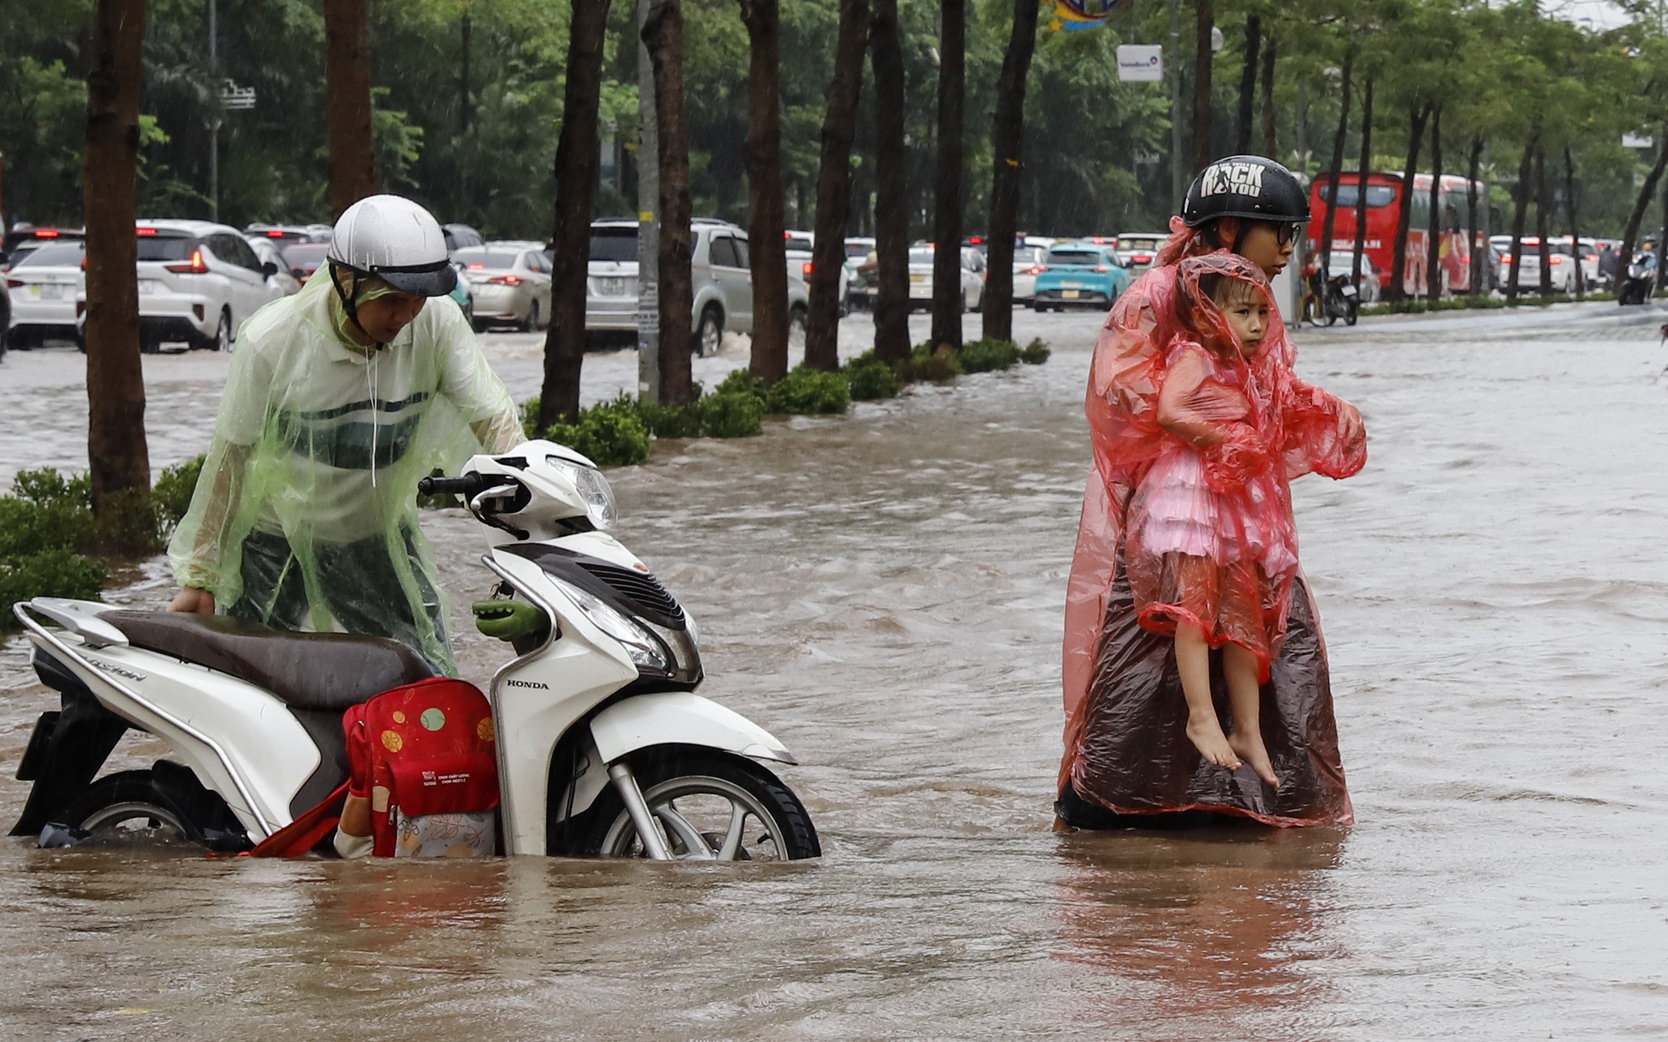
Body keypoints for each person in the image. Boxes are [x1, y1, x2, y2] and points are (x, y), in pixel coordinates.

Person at [1058, 156, 1367, 829]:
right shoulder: (1157, 299)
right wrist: (1207, 436)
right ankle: (1119, 813)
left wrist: (1321, 408)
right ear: (1229, 227)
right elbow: (1120, 393)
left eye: (1293, 236)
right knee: (1146, 663)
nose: (1289, 250)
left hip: (1245, 524)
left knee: (1276, 650)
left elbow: (1270, 392)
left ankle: (1269, 809)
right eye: (1278, 233)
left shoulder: (1251, 298)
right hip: (1171, 523)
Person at [166, 195, 523, 673]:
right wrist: (201, 577)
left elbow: (493, 418)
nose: (406, 315)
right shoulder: (273, 342)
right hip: (276, 545)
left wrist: (536, 494)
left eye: (418, 298)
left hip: (375, 538)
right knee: (252, 685)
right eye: (392, 299)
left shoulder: (436, 325)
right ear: (346, 282)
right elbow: (229, 462)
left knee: (426, 680)